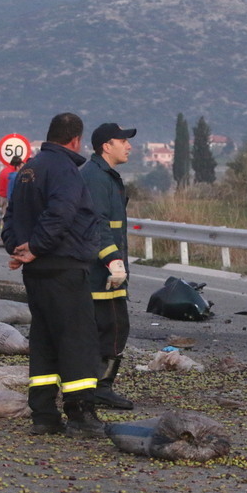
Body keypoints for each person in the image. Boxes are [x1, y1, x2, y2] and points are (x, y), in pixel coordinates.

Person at [2, 112, 105, 438]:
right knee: (78, 341)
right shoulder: (65, 171)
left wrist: (18, 249)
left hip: (38, 272)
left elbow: (11, 215)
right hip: (64, 266)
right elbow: (61, 212)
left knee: (44, 341)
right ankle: (80, 413)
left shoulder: (29, 169)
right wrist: (35, 247)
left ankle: (44, 414)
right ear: (75, 139)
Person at [81, 122, 136, 409]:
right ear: (106, 145)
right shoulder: (95, 177)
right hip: (100, 273)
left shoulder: (105, 176)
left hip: (105, 272)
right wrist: (113, 260)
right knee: (112, 328)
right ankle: (99, 387)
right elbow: (97, 223)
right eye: (123, 140)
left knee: (111, 327)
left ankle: (97, 386)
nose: (129, 146)